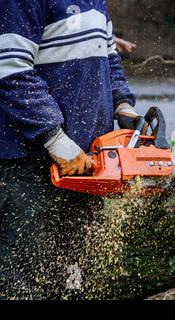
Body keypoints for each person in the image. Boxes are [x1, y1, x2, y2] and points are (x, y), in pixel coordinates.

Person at [0, 0, 145, 299]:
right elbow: (9, 69)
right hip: (29, 161)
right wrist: (53, 136)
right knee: (24, 274)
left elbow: (107, 57)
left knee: (72, 271)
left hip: (86, 161)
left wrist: (122, 103)